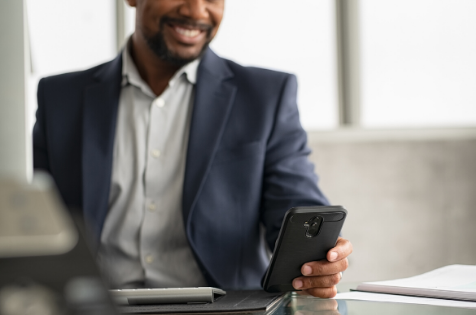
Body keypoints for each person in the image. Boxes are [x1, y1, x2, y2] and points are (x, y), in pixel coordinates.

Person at [32, 0, 352, 298]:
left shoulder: (265, 96)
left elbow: (293, 205)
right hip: (96, 305)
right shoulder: (60, 98)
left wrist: (315, 258)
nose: (197, 11)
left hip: (226, 306)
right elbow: (33, 220)